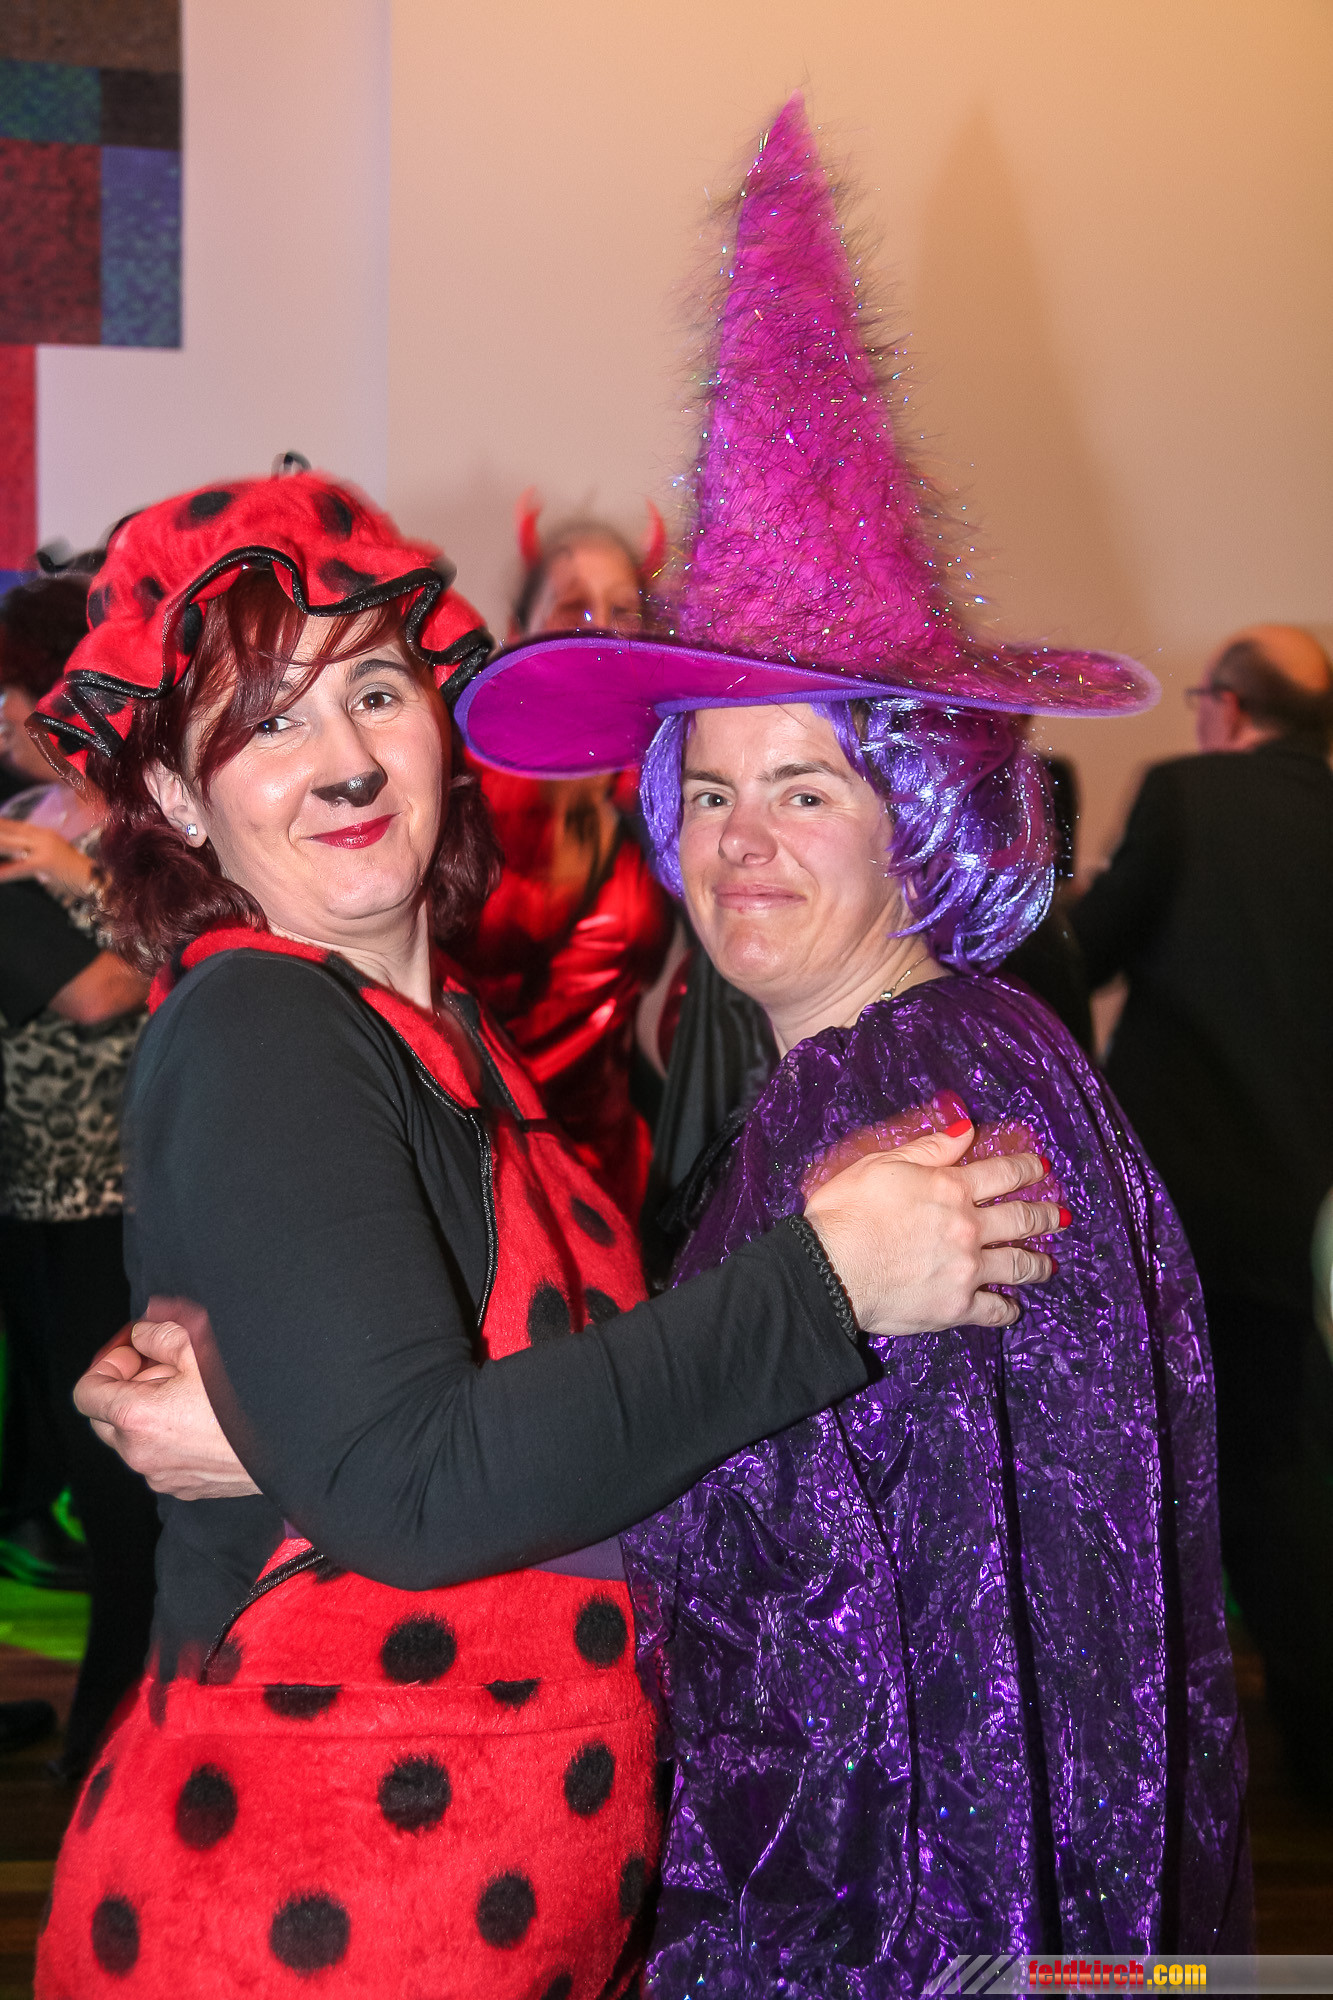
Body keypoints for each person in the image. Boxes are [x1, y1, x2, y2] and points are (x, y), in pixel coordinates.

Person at [32, 468, 1059, 1997]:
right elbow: (415, 1486)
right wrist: (823, 1286)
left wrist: (285, 1433)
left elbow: (531, 1428)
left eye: (375, 692)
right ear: (181, 798)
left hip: (503, 1907)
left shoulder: (445, 1028)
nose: (345, 761)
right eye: (269, 722)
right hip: (305, 1916)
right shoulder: (265, 1025)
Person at [458, 97, 1248, 1980]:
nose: (742, 842)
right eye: (714, 792)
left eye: (806, 790)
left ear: (916, 818)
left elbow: (902, 1628)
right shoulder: (902, 1062)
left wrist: (399, 1486)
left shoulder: (916, 1096)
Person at [1071, 621, 1333, 1803]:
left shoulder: (1185, 792)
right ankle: (1316, 1739)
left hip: (1179, 1194)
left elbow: (1087, 954)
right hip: (1303, 1206)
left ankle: (1148, 1763)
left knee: (1157, 1465)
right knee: (1286, 1465)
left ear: (1226, 705)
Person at [0, 566, 158, 1778]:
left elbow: (129, 977)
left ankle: (115, 1712)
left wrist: (73, 876)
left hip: (108, 1187)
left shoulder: (134, 824)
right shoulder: (31, 809)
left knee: (105, 1464)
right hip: (36, 1187)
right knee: (54, 1443)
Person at [458, 498, 676, 1212]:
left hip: (614, 1180)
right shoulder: (459, 788)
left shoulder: (664, 785)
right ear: (519, 632)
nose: (601, 632)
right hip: (482, 1181)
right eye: (573, 608)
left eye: (623, 612)